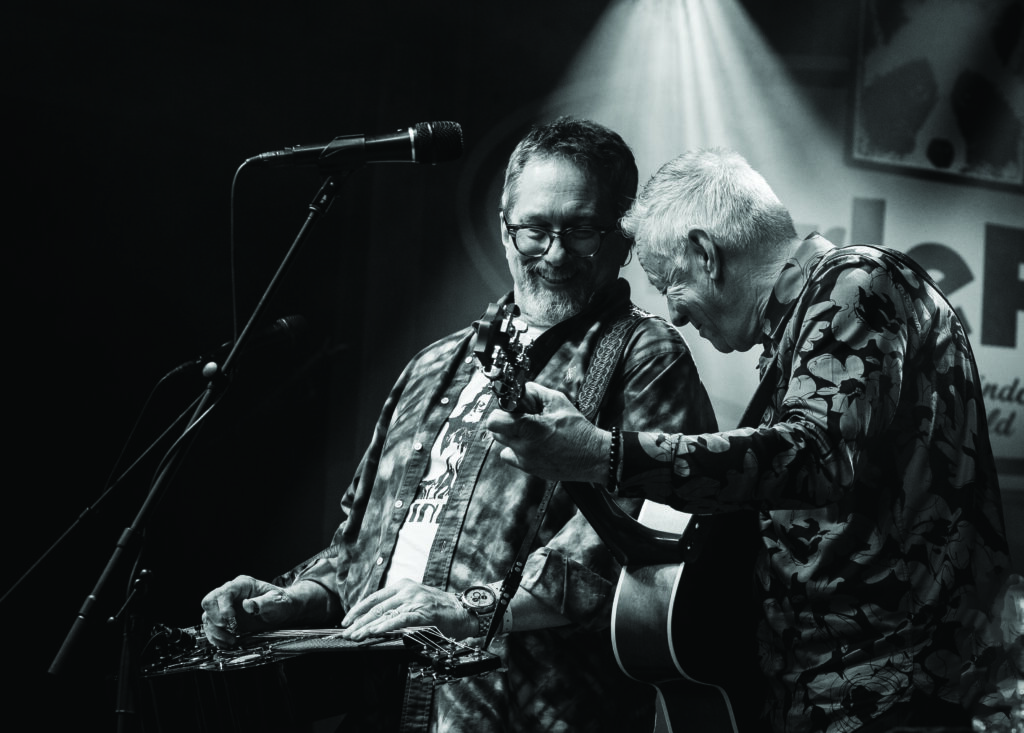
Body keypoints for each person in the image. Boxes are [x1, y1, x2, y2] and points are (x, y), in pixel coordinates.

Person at [200, 117, 719, 732]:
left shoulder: (644, 356)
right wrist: (288, 601)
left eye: (581, 231)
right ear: (505, 230)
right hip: (383, 704)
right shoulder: (433, 365)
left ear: (622, 238)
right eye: (535, 230)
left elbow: (638, 542)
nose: (554, 254)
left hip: (530, 713)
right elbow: (359, 553)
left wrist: (465, 607)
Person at [487, 148, 1016, 733]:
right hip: (839, 698)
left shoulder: (858, 283)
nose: (676, 316)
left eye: (670, 284)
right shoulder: (798, 333)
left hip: (900, 698)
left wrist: (605, 452)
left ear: (706, 255)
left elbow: (811, 456)